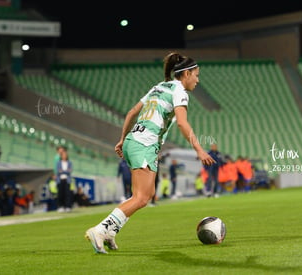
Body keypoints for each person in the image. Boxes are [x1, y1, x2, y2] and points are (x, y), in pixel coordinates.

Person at [85, 52, 215, 254]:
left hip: (133, 140)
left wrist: (122, 139)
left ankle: (111, 231)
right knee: (142, 198)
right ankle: (100, 230)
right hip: (144, 144)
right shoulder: (180, 91)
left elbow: (131, 113)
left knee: (145, 195)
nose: (198, 80)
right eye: (196, 75)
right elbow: (182, 122)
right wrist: (199, 149)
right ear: (187, 73)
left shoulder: (159, 87)